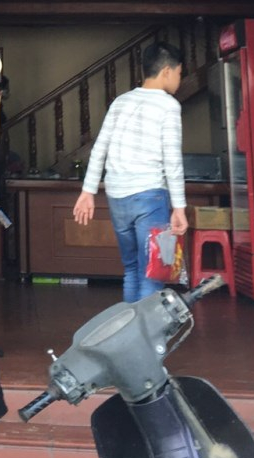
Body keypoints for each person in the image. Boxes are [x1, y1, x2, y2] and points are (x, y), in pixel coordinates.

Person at [72, 41, 188, 302]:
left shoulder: (120, 102)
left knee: (132, 269)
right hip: (150, 196)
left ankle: (131, 326)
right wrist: (179, 207)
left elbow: (100, 148)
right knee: (152, 274)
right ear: (167, 71)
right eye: (179, 73)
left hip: (118, 197)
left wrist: (88, 191)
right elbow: (172, 160)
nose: (179, 79)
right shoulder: (169, 106)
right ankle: (144, 329)